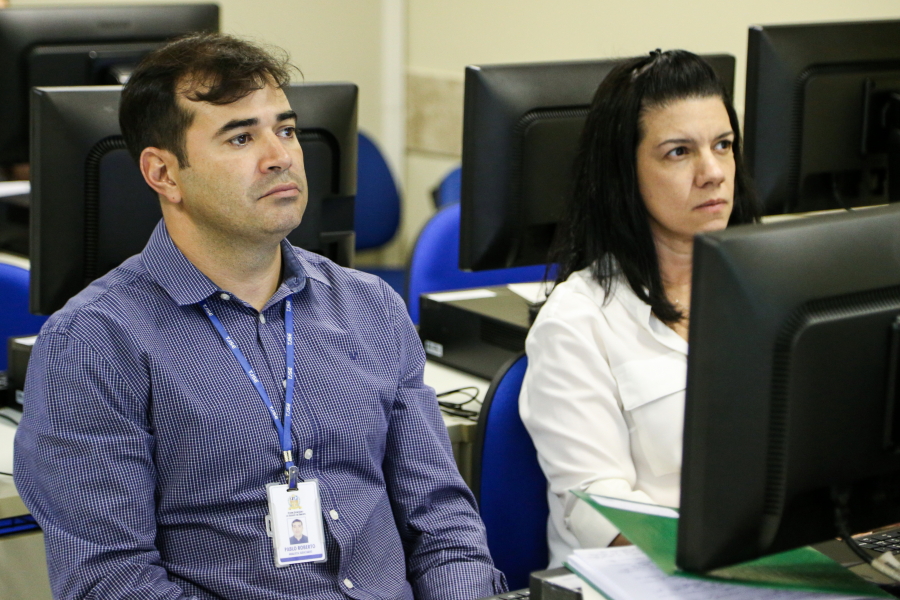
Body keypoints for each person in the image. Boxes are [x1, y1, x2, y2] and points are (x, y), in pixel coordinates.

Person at [14, 33, 505, 600]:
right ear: (164, 174)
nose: (281, 157)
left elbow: (443, 525)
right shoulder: (94, 343)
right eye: (241, 137)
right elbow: (111, 582)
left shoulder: (369, 306)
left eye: (286, 130)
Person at [518, 49, 761, 567]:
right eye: (679, 152)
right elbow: (604, 514)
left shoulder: (768, 292)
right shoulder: (577, 321)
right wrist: (740, 562)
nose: (713, 172)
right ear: (625, 173)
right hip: (641, 577)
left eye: (723, 145)